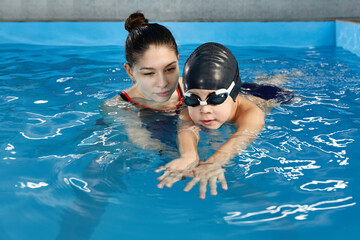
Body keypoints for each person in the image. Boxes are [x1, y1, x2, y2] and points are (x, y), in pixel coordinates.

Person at [156, 42, 295, 199]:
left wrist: (212, 163)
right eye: (193, 99)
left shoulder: (252, 114)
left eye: (215, 99)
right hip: (232, 88)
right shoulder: (189, 107)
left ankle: (282, 77)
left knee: (273, 83)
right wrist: (189, 156)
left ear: (232, 94)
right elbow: (186, 129)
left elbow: (240, 138)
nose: (205, 109)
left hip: (267, 95)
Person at [100, 11, 184, 152]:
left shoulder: (192, 88)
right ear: (130, 72)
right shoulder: (118, 106)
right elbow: (140, 139)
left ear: (178, 60)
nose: (162, 83)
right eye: (149, 73)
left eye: (170, 69)